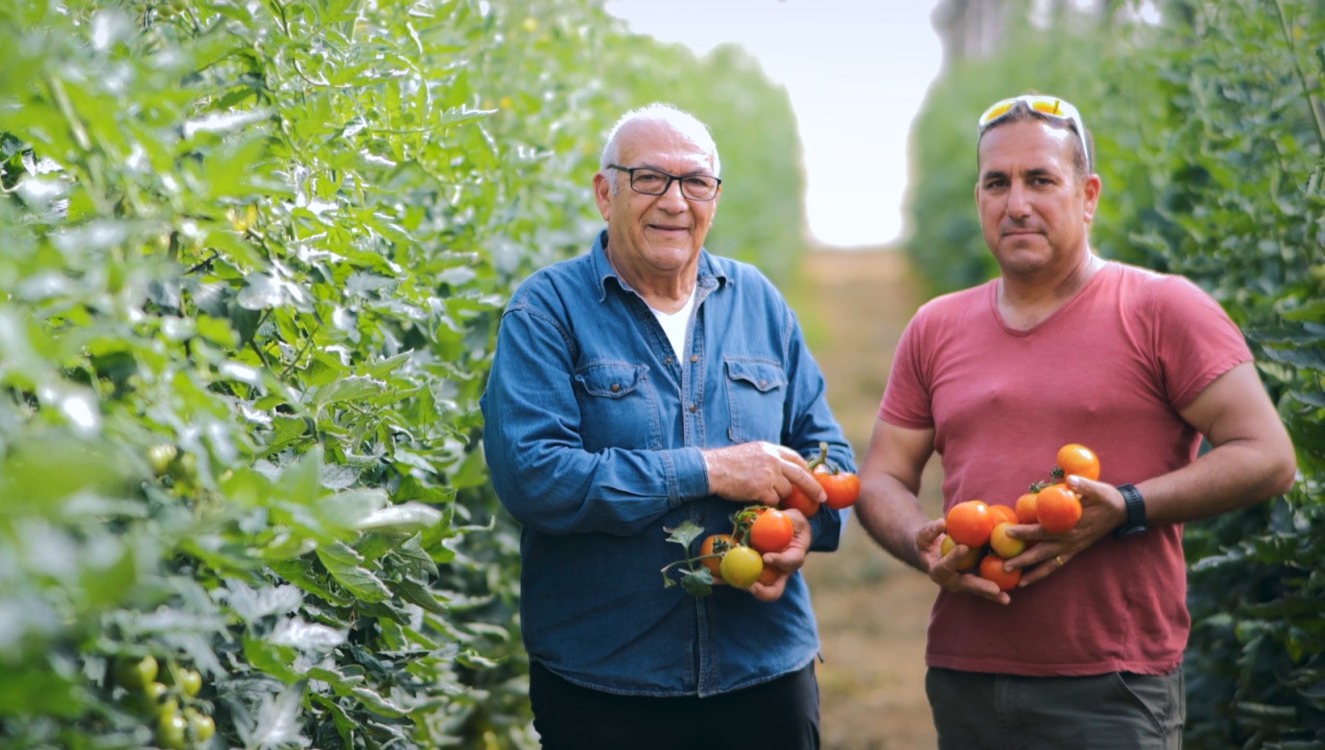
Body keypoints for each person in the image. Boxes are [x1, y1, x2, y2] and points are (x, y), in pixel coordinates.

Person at [854, 93, 1298, 749]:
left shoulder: (1161, 310)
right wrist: (922, 543)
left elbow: (1268, 455)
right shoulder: (936, 327)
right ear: (978, 198)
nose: (1017, 204)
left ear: (1087, 195)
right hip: (965, 675)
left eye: (1040, 180)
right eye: (997, 183)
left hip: (1112, 686)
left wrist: (1127, 505)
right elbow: (882, 477)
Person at [479, 103, 855, 750]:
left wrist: (805, 525)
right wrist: (710, 469)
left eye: (695, 182)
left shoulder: (758, 300)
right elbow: (531, 476)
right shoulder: (547, 311)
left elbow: (832, 456)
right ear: (606, 193)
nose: (674, 201)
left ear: (714, 196)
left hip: (763, 670)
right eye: (649, 178)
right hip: (607, 683)